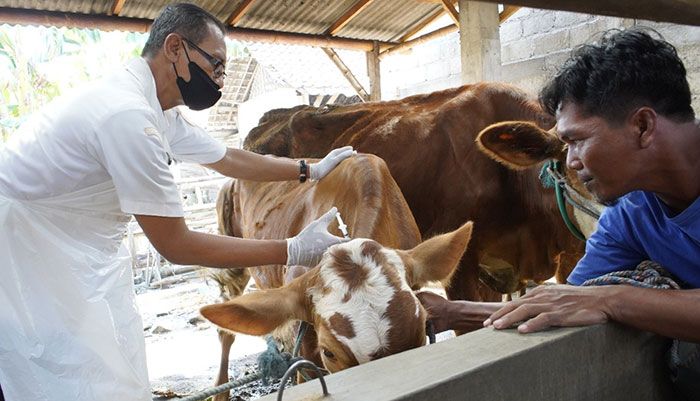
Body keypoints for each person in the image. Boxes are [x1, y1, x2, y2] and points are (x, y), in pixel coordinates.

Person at [0, 3, 355, 401]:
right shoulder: (129, 118)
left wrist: (310, 169)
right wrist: (293, 249)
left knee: (105, 360)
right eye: (215, 65)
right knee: (61, 369)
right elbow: (176, 245)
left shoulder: (156, 109)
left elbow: (229, 159)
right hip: (29, 248)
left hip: (74, 245)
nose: (219, 80)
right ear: (175, 48)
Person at [418, 28, 700, 399]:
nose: (570, 161)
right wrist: (455, 311)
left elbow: (597, 298)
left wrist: (614, 299)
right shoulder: (629, 215)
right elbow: (568, 300)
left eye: (577, 140)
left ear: (643, 126)